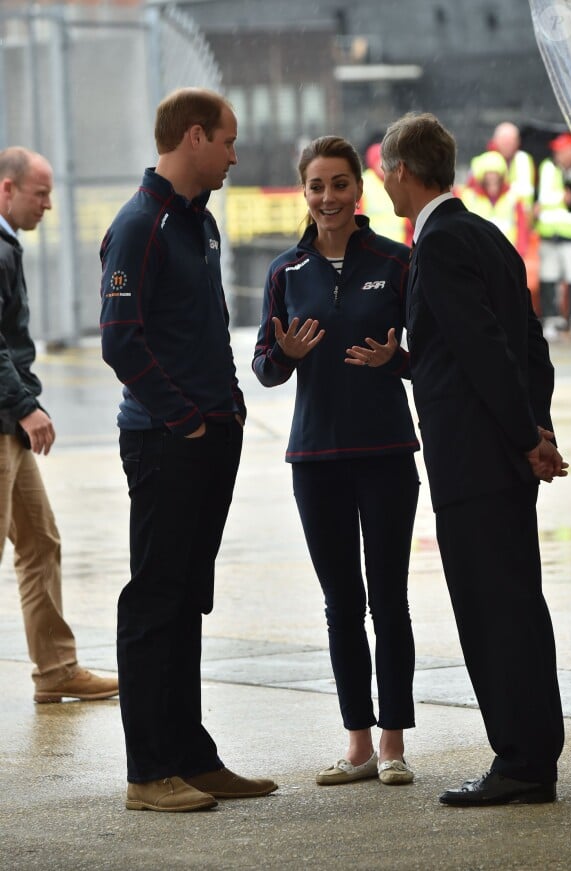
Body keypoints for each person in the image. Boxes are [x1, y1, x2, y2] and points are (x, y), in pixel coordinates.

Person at [379, 112, 568, 807]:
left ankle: (519, 760)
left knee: (492, 612)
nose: (382, 182)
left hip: (474, 460)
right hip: (505, 459)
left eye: (384, 171)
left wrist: (524, 437)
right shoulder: (485, 234)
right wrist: (537, 428)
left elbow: (482, 347)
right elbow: (529, 343)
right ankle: (532, 754)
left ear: (402, 168)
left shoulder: (438, 245)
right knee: (517, 604)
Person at [100, 88, 277, 812]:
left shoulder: (197, 224)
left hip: (209, 433)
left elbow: (205, 330)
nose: (236, 155)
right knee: (156, 600)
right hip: (166, 440)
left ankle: (191, 755)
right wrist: (184, 420)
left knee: (186, 601)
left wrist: (228, 408)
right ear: (195, 136)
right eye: (229, 141)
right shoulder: (141, 223)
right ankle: (149, 771)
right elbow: (120, 339)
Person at [253, 136, 420, 788]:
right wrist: (287, 355)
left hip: (385, 454)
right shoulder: (284, 272)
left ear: (360, 189)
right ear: (305, 191)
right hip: (315, 459)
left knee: (390, 599)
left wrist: (395, 361)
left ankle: (394, 741)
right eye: (316, 185)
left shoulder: (397, 261)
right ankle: (356, 742)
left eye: (339, 184)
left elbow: (430, 353)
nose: (328, 197)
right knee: (341, 602)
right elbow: (264, 366)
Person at [0, 146, 119, 704]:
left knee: (39, 540)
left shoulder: (7, 244)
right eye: (40, 193)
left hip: (8, 421)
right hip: (5, 415)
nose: (48, 204)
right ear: (7, 189)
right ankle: (55, 668)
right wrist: (25, 404)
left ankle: (55, 669)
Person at [535, 132, 571, 340]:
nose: (558, 153)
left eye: (562, 150)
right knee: (548, 278)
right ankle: (551, 319)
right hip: (550, 234)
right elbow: (542, 198)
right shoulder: (549, 168)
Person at [359, 142, 412, 244]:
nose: (384, 166)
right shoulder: (364, 183)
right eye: (380, 161)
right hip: (374, 247)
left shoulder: (400, 181)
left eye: (388, 162)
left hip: (400, 245)